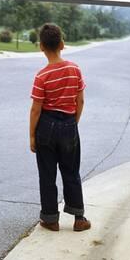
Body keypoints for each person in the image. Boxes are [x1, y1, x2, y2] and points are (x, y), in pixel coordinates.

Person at [29, 23, 91, 232]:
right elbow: (80, 101)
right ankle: (79, 219)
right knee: (71, 171)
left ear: (41, 47)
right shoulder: (74, 69)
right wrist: (73, 122)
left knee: (47, 174)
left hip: (45, 126)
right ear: (62, 44)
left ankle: (50, 219)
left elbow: (36, 110)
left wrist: (32, 136)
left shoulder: (41, 76)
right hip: (69, 124)